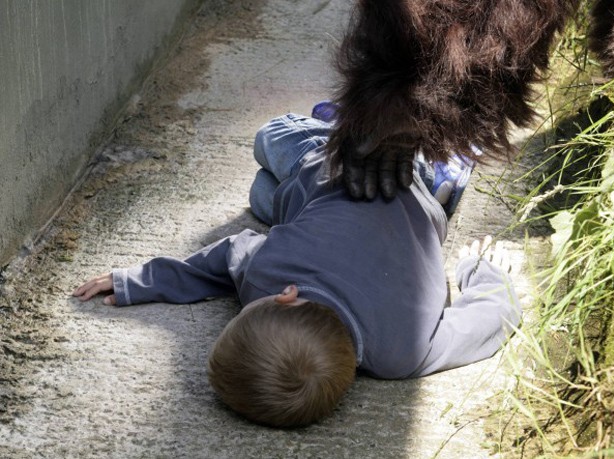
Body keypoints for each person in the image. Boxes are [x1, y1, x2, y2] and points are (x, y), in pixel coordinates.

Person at [73, 113, 521, 428]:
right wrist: (139, 281)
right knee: (268, 138)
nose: (240, 302)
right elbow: (227, 254)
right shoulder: (272, 271)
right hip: (336, 162)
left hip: (421, 214)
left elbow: (487, 321)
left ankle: (431, 175)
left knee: (263, 196)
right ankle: (343, 123)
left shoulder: (401, 355)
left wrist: (480, 271)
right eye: (243, 311)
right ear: (286, 295)